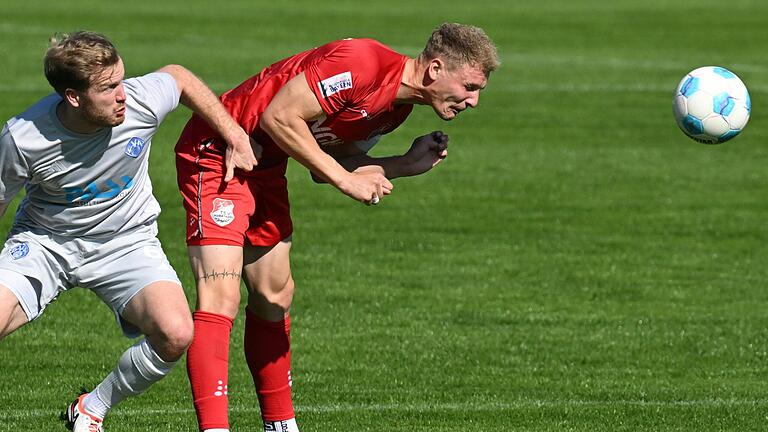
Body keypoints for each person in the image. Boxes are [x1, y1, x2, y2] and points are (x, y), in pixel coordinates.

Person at [175, 22, 499, 432]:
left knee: (275, 294)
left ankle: (280, 425)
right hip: (219, 149)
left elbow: (326, 162)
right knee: (220, 296)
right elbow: (279, 117)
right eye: (470, 86)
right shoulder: (362, 62)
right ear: (435, 69)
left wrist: (403, 164)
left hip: (265, 167)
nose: (472, 101)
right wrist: (346, 182)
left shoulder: (394, 111)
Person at [0, 31, 258, 432]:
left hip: (126, 242)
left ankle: (91, 408)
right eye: (108, 88)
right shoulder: (22, 138)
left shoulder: (139, 100)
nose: (123, 94)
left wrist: (234, 134)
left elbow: (179, 77)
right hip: (46, 243)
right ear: (73, 97)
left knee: (175, 333)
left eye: (121, 79)